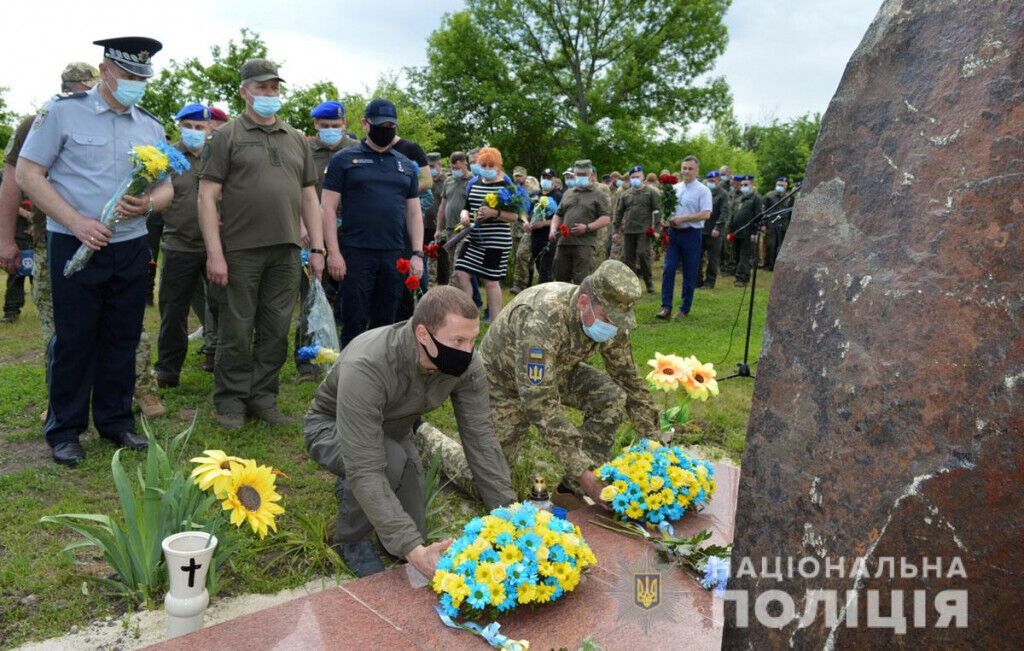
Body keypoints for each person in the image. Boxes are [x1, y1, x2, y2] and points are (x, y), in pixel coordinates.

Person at [17, 38, 173, 466]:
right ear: (106, 71)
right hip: (75, 241)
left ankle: (115, 421)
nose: (137, 84)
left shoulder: (150, 126)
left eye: (143, 78)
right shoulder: (63, 113)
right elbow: (30, 174)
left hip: (130, 243)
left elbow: (166, 186)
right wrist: (75, 221)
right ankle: (65, 430)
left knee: (122, 335)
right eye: (129, 76)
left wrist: (150, 204)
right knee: (75, 338)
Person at [304, 286, 514, 576]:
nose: (468, 352)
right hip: (332, 427)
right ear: (423, 334)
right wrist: (414, 551)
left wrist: (511, 516)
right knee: (387, 465)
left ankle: (360, 496)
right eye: (459, 340)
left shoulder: (464, 363)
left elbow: (481, 439)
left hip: (395, 432)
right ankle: (351, 539)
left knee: (414, 526)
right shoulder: (368, 365)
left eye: (472, 339)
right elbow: (366, 467)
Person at [420, 260, 659, 502]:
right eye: (608, 318)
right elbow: (540, 403)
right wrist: (583, 472)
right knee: (486, 486)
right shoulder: (543, 318)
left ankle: (571, 492)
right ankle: (424, 437)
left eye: (619, 320)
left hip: (556, 371)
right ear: (584, 302)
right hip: (502, 385)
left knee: (611, 397)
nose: (613, 327)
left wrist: (656, 450)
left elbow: (630, 381)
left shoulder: (610, 320)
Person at [198, 58, 325, 429]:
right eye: (261, 87)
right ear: (244, 91)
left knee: (275, 329)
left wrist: (316, 248)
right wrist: (215, 253)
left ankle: (263, 398)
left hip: (286, 250)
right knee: (236, 329)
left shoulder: (295, 138)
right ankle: (231, 402)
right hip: (239, 250)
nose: (269, 94)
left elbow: (309, 199)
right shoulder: (228, 136)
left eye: (274, 87)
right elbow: (207, 197)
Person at [320, 98, 424, 348]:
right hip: (356, 253)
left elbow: (414, 213)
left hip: (394, 254)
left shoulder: (405, 165)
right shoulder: (344, 160)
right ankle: (347, 377)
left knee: (386, 323)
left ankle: (379, 377)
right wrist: (333, 253)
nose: (386, 129)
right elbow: (328, 208)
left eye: (391, 125)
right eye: (380, 124)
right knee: (354, 321)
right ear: (365, 124)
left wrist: (418, 253)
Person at [295, 100, 358, 382]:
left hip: (351, 232)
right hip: (313, 231)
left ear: (344, 125)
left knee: (350, 295)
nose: (330, 130)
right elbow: (296, 189)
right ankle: (308, 362)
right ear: (315, 127)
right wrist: (301, 224)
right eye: (324, 126)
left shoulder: (357, 151)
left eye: (335, 126)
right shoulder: (305, 150)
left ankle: (348, 357)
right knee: (312, 295)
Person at [154, 103, 216, 388]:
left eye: (200, 127)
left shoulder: (218, 156)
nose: (194, 132)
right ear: (179, 126)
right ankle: (168, 370)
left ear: (209, 129)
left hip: (217, 245)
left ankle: (217, 356)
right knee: (173, 310)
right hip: (179, 244)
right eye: (188, 126)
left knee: (223, 306)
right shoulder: (165, 158)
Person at [451, 147, 518, 319]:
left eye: (491, 165)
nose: (487, 169)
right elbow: (466, 208)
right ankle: (469, 315)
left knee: (490, 282)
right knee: (460, 273)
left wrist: (494, 213)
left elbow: (515, 216)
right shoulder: (474, 183)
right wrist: (464, 215)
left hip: (496, 241)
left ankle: (495, 322)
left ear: (498, 166)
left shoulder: (506, 186)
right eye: (484, 165)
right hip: (473, 238)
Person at [656, 156, 711, 320]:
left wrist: (684, 218)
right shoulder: (675, 188)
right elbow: (669, 209)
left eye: (690, 168)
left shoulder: (703, 190)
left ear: (697, 170)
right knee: (669, 268)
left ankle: (684, 308)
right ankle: (666, 306)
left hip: (691, 234)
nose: (686, 171)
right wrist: (665, 219)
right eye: (684, 168)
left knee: (690, 272)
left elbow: (706, 213)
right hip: (674, 234)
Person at [550, 160, 610, 283]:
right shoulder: (568, 193)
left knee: (581, 281)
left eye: (584, 174)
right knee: (560, 279)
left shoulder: (598, 194)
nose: (580, 177)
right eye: (578, 174)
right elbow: (558, 214)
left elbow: (606, 218)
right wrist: (552, 229)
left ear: (591, 176)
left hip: (584, 244)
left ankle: (581, 302)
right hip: (564, 242)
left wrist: (587, 227)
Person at [613, 164, 659, 293]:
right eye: (633, 177)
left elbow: (657, 211)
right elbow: (619, 213)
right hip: (628, 230)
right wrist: (616, 230)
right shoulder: (625, 194)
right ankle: (632, 284)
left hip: (644, 231)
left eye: (637, 176)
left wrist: (657, 229)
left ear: (643, 176)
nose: (635, 179)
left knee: (643, 254)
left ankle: (649, 283)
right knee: (628, 258)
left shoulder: (651, 193)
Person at [434, 150, 468, 286]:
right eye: (453, 168)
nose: (455, 170)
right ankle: (473, 298)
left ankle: (452, 294)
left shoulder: (472, 180)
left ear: (465, 164)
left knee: (458, 265)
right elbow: (442, 207)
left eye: (458, 168)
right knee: (452, 264)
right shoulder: (448, 181)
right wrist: (438, 229)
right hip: (449, 230)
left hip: (464, 230)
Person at [527, 168, 562, 285]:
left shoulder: (558, 196)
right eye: (544, 177)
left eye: (549, 178)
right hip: (535, 237)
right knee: (538, 266)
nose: (546, 180)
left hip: (550, 237)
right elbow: (528, 214)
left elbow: (561, 218)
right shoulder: (535, 195)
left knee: (545, 270)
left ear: (554, 180)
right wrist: (527, 223)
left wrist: (543, 223)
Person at [698, 170, 729, 289]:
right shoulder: (704, 192)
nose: (710, 183)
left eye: (713, 181)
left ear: (719, 181)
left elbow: (724, 212)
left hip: (714, 230)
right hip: (702, 229)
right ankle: (697, 280)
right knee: (698, 256)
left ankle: (710, 282)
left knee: (713, 258)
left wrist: (718, 227)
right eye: (709, 181)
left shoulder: (723, 194)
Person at [730, 175, 763, 287]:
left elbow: (758, 216)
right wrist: (731, 230)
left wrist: (755, 232)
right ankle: (741, 275)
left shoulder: (756, 199)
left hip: (748, 232)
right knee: (738, 255)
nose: (743, 187)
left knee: (745, 256)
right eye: (742, 185)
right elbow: (733, 215)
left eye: (746, 185)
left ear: (752, 185)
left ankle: (742, 279)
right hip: (737, 231)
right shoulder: (739, 198)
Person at [762, 176, 794, 271]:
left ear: (786, 186)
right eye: (779, 185)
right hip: (771, 223)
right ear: (776, 185)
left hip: (784, 224)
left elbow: (792, 212)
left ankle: (778, 266)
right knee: (770, 245)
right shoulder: (769, 196)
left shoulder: (790, 197)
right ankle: (768, 265)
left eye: (782, 185)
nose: (780, 187)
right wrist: (763, 224)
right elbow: (764, 211)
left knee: (781, 246)